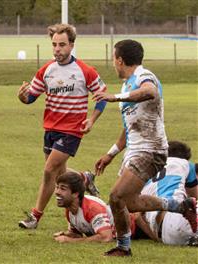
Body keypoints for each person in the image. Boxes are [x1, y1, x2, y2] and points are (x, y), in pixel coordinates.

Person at [92, 39, 197, 256]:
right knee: (129, 204)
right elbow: (129, 128)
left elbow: (150, 92)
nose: (114, 63)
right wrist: (110, 154)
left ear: (119, 60)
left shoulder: (144, 76)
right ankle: (179, 206)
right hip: (134, 151)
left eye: (114, 59)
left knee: (116, 197)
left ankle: (123, 247)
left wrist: (114, 97)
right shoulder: (127, 84)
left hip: (151, 150)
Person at [17, 23, 107, 230]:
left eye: (62, 45)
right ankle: (84, 178)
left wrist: (92, 119)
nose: (58, 49)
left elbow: (101, 96)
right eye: (54, 45)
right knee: (60, 175)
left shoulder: (85, 71)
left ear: (72, 45)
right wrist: (22, 97)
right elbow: (31, 98)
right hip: (50, 129)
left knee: (49, 171)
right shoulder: (46, 70)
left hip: (72, 130)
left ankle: (35, 216)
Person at [131, 140, 198, 246]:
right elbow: (195, 196)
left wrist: (156, 238)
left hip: (165, 234)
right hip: (182, 217)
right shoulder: (185, 164)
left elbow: (137, 216)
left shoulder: (145, 177)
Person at [53, 171, 114, 243]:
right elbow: (77, 234)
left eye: (63, 189)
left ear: (75, 194)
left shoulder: (92, 208)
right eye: (57, 187)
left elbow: (106, 237)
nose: (57, 192)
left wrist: (70, 240)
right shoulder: (70, 208)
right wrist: (66, 235)